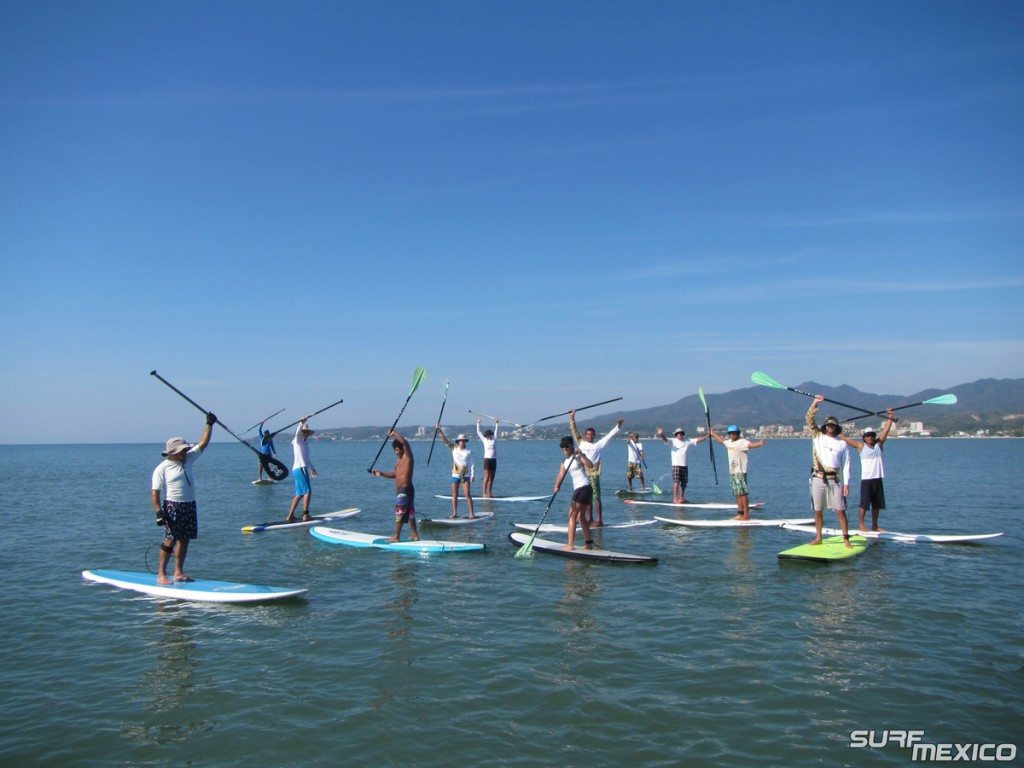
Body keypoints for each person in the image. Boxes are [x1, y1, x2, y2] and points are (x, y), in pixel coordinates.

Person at [150, 411, 215, 584]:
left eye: (186, 449)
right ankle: (161, 574)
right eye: (182, 450)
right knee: (170, 540)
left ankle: (178, 572)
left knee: (185, 540)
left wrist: (209, 424)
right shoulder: (161, 469)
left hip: (189, 504)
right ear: (173, 452)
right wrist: (158, 512)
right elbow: (155, 493)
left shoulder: (188, 460)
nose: (186, 451)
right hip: (172, 506)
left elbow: (203, 444)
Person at [806, 395, 852, 547]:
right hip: (818, 478)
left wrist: (847, 484)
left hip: (835, 480)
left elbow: (847, 465)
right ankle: (819, 537)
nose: (830, 428)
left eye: (832, 426)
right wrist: (815, 403)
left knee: (840, 510)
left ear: (836, 428)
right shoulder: (818, 436)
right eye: (828, 425)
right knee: (818, 510)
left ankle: (846, 538)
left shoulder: (842, 444)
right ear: (824, 427)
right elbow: (809, 420)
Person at [841, 409, 897, 532]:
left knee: (877, 505)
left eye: (872, 435)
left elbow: (886, 430)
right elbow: (845, 438)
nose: (870, 437)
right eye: (867, 436)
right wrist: (835, 428)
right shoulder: (861, 447)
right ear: (864, 438)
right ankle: (861, 525)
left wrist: (890, 417)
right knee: (864, 504)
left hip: (877, 479)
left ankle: (875, 525)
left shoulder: (879, 445)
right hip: (866, 480)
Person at [569, 412, 624, 527]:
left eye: (592, 435)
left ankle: (599, 520)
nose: (590, 436)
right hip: (583, 475)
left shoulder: (598, 445)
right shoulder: (581, 443)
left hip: (593, 474)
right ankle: (589, 519)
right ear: (585, 435)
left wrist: (618, 426)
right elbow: (574, 431)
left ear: (594, 436)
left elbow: (609, 436)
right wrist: (572, 418)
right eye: (588, 434)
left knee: (596, 497)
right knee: (587, 499)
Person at [710, 425, 767, 520]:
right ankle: (740, 513)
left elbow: (751, 445)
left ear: (738, 433)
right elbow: (722, 441)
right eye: (730, 433)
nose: (732, 435)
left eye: (734, 433)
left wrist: (760, 443)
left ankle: (746, 515)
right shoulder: (729, 442)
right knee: (737, 494)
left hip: (740, 472)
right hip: (733, 473)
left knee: (743, 494)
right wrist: (713, 433)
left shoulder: (743, 442)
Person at [371, 429, 419, 542]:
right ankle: (415, 534)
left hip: (405, 489)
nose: (396, 452)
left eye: (398, 449)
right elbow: (395, 474)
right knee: (410, 512)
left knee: (400, 512)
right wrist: (382, 474)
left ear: (402, 449)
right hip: (405, 490)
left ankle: (396, 536)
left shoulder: (408, 457)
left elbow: (405, 442)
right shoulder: (398, 461)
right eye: (395, 450)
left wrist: (395, 433)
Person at [553, 436, 597, 551]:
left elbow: (590, 465)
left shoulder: (578, 456)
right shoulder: (564, 461)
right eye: (562, 447)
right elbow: (561, 474)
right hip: (582, 489)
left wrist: (581, 454)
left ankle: (570, 545)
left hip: (583, 488)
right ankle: (588, 544)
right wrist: (557, 486)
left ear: (571, 445)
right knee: (581, 517)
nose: (564, 448)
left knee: (571, 516)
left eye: (566, 446)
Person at [655, 426, 710, 503]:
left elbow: (698, 440)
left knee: (684, 483)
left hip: (684, 465)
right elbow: (665, 439)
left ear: (683, 434)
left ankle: (681, 498)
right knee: (676, 482)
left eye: (681, 433)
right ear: (676, 435)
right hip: (676, 465)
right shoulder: (672, 441)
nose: (680, 434)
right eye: (678, 433)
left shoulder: (688, 441)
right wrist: (661, 434)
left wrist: (707, 436)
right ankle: (675, 498)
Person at [437, 427, 475, 519]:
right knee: (454, 493)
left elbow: (472, 464)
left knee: (467, 494)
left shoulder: (468, 451)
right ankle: (454, 513)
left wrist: (472, 475)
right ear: (458, 441)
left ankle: (471, 513)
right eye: (460, 440)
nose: (462, 442)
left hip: (465, 475)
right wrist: (439, 430)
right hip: (455, 474)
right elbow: (445, 441)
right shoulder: (453, 448)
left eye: (464, 440)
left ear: (465, 441)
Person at [285, 417, 317, 523]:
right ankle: (305, 515)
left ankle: (290, 516)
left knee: (299, 494)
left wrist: (312, 468)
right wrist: (301, 422)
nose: (306, 434)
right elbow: (297, 433)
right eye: (304, 432)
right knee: (308, 491)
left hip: (299, 469)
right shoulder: (297, 441)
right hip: (300, 468)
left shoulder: (304, 443)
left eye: (307, 432)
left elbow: (307, 458)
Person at [477, 417, 499, 498]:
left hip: (494, 460)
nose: (487, 436)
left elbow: (496, 431)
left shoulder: (494, 439)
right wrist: (478, 423)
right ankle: (483, 493)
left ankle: (489, 492)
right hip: (487, 460)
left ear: (491, 434)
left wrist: (496, 423)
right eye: (486, 435)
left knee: (492, 478)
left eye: (489, 435)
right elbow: (478, 432)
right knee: (486, 477)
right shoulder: (484, 440)